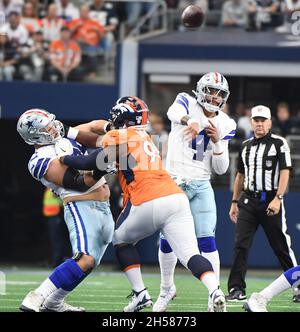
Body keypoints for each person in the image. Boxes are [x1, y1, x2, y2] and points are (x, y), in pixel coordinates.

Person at [60, 96, 227, 313]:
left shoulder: (119, 136)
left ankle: (140, 294)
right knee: (190, 255)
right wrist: (72, 133)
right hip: (176, 197)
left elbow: (90, 162)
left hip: (147, 198)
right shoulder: (146, 137)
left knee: (120, 239)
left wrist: (63, 157)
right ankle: (215, 290)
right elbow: (121, 158)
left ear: (119, 117)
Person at [153, 72, 237, 312]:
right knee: (166, 239)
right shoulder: (185, 101)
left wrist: (219, 143)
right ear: (201, 90)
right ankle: (166, 288)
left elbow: (221, 170)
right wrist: (189, 120)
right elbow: (172, 113)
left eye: (219, 93)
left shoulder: (227, 123)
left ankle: (214, 295)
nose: (215, 96)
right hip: (174, 183)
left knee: (207, 239)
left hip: (201, 184)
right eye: (211, 90)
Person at [16, 109, 114, 312]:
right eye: (47, 127)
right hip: (82, 206)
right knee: (84, 259)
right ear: (35, 134)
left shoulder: (63, 138)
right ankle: (37, 296)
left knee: (89, 263)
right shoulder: (38, 160)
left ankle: (54, 302)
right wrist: (105, 162)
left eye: (52, 123)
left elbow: (92, 126)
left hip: (104, 207)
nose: (54, 127)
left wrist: (113, 129)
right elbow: (78, 183)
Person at [226, 105, 298, 302]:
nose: (259, 124)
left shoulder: (279, 143)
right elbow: (240, 175)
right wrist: (234, 201)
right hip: (248, 200)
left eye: (262, 120)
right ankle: (236, 289)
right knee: (240, 245)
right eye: (256, 120)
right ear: (251, 122)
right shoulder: (246, 145)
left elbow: (285, 171)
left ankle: (298, 287)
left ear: (269, 123)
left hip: (270, 200)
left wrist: (278, 198)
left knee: (281, 246)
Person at [42, 188, 66, 267]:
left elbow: (58, 195)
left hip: (56, 214)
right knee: (54, 239)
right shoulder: (49, 187)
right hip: (51, 215)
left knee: (57, 239)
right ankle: (55, 260)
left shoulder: (56, 187)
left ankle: (57, 261)